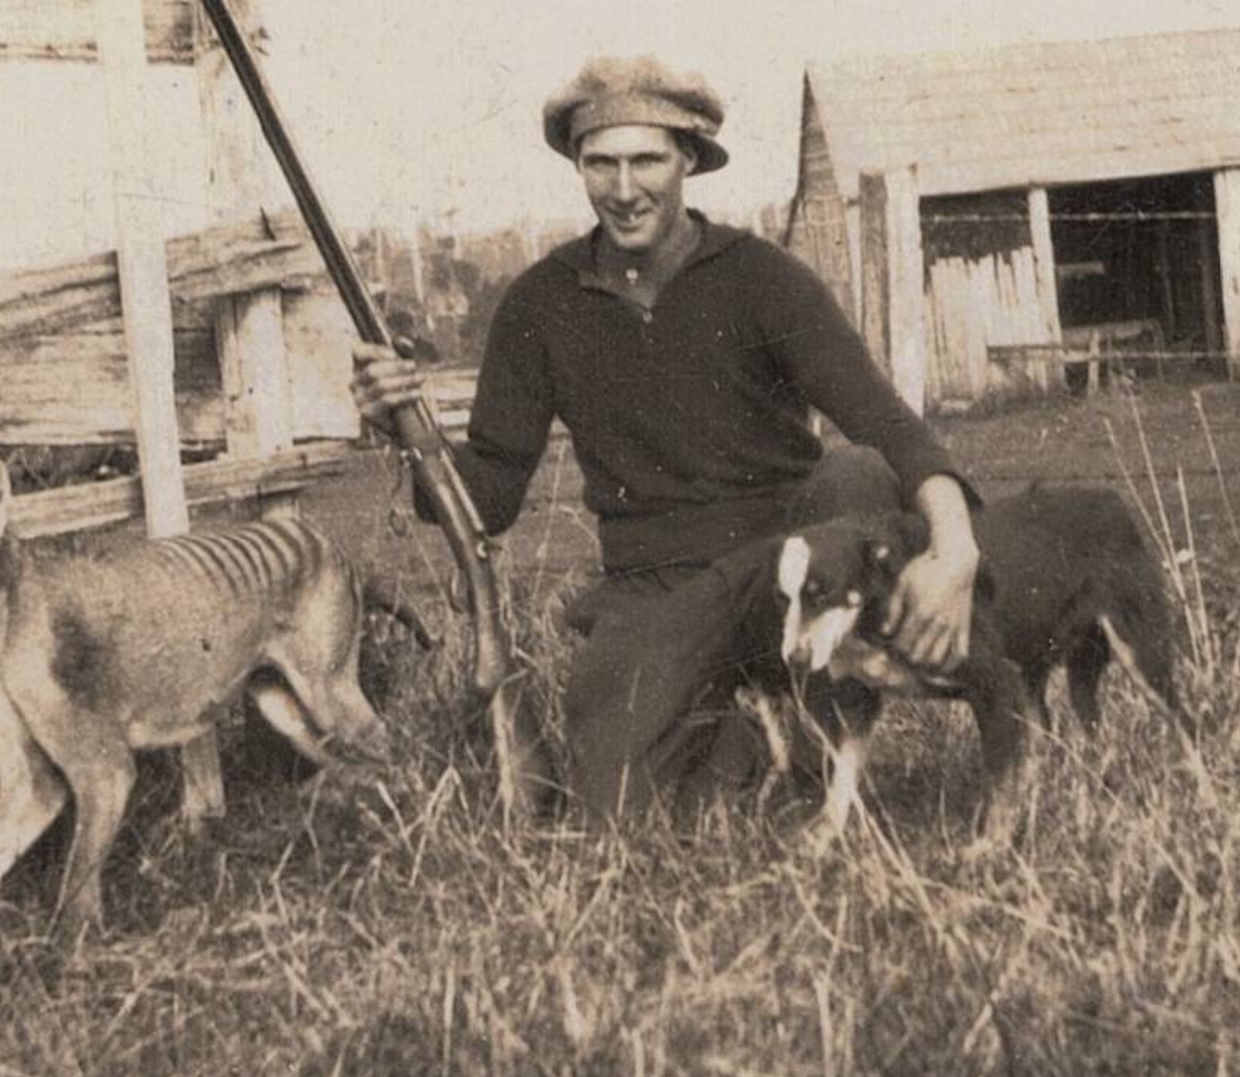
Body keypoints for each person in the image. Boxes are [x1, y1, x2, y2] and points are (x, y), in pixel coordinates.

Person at [351, 55, 981, 820]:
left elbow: (887, 426)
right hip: (655, 590)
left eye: (647, 159)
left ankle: (814, 742)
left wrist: (956, 550)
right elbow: (489, 495)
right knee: (619, 808)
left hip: (784, 564)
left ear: (690, 158)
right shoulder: (539, 304)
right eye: (600, 164)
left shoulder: (763, 278)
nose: (624, 189)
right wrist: (403, 429)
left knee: (855, 476)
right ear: (577, 167)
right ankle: (742, 738)